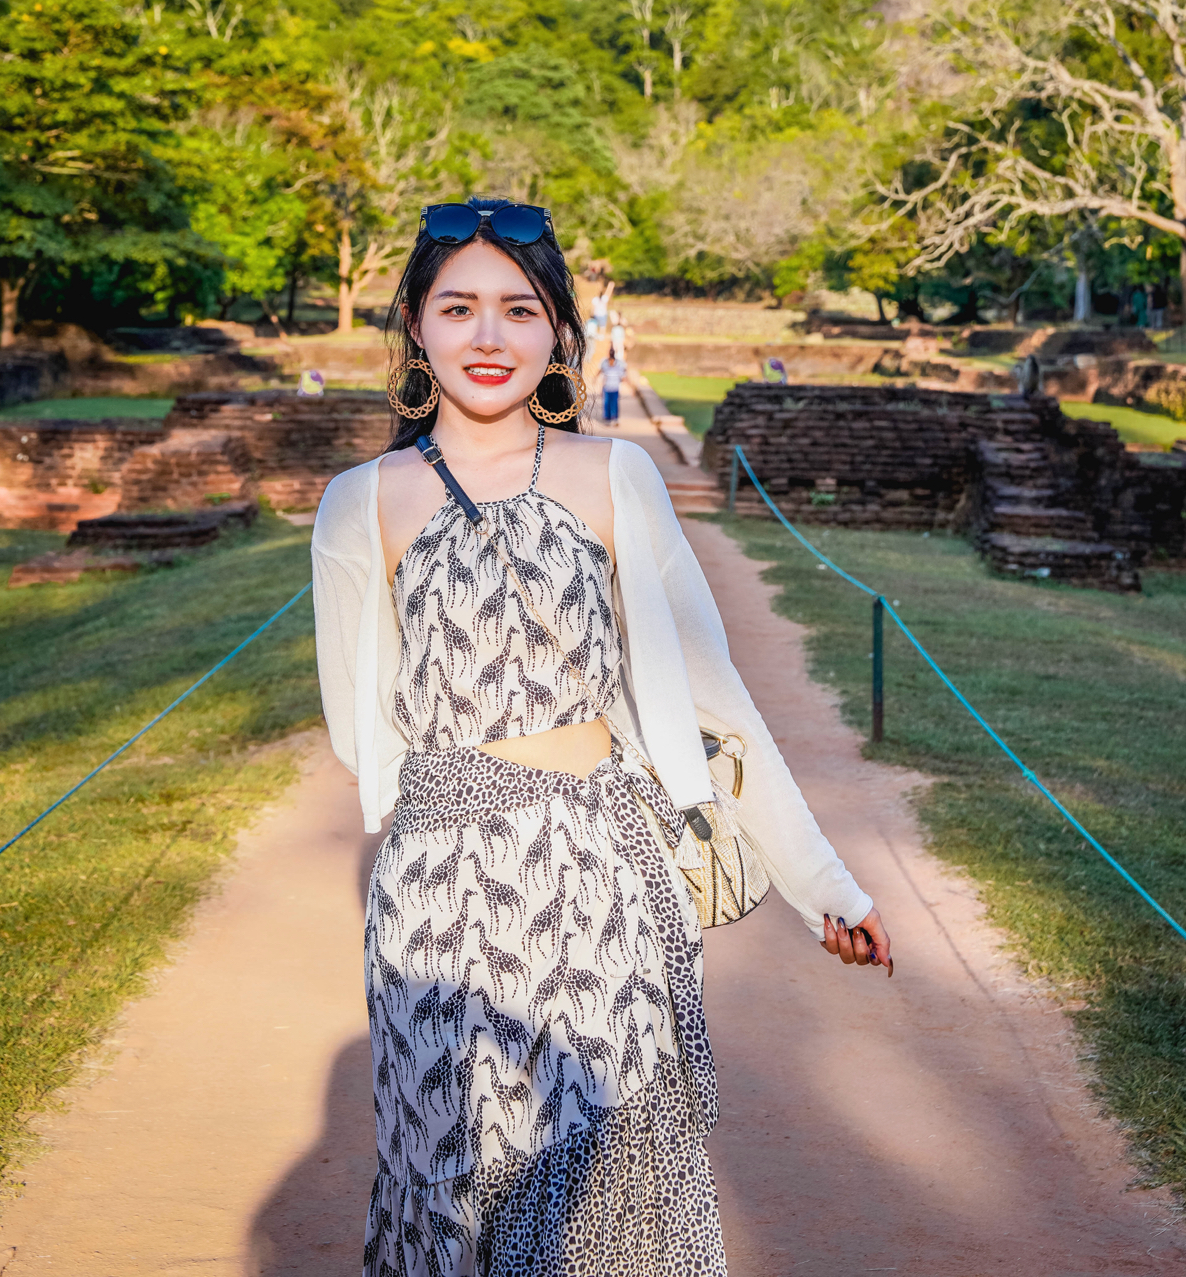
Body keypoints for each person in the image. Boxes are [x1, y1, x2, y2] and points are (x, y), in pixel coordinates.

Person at [312, 196, 890, 1277]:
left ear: (559, 333)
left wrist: (827, 890)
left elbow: (713, 697)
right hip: (439, 901)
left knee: (602, 1196)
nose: (489, 338)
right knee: (444, 1193)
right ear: (413, 323)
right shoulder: (361, 501)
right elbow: (362, 732)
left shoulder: (613, 476)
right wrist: (463, 820)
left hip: (601, 885)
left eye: (519, 311)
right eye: (458, 307)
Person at [599, 348, 626, 423]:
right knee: (607, 403)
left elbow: (623, 376)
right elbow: (602, 375)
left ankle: (615, 418)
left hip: (615, 388)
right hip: (607, 388)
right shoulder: (605, 366)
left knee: (614, 403)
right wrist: (601, 388)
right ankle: (608, 418)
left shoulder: (618, 367)